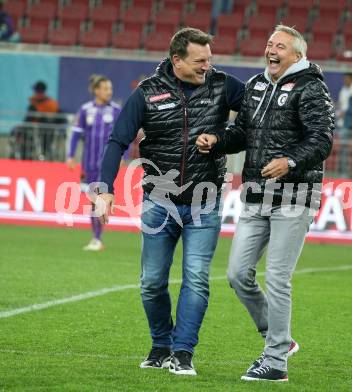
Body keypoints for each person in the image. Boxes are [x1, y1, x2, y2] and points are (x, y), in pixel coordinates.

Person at [96, 28, 244, 375]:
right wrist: (104, 189)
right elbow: (117, 140)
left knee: (196, 277)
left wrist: (221, 139)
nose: (208, 66)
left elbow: (255, 124)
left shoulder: (225, 86)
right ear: (177, 60)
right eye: (200, 60)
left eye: (210, 59)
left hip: (204, 202)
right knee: (151, 281)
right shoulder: (146, 93)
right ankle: (161, 345)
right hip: (158, 202)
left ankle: (183, 352)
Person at [197, 25, 334, 382]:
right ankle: (280, 338)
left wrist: (290, 161)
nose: (271, 50)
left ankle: (275, 362)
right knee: (237, 274)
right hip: (257, 193)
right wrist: (218, 140)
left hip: (295, 194)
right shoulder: (256, 85)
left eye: (280, 46)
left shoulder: (312, 87)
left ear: (297, 55)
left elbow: (322, 139)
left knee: (277, 278)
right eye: (269, 44)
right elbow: (243, 132)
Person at [67, 75, 122, 251]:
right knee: (92, 200)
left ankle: (97, 238)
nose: (109, 92)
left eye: (110, 89)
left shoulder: (115, 110)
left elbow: (124, 135)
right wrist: (70, 155)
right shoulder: (85, 110)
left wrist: (122, 155)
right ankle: (96, 238)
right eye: (106, 89)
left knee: (98, 198)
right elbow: (76, 134)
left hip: (107, 164)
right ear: (97, 90)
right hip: (88, 163)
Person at [23, 81, 62, 160]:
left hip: (38, 131)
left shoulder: (35, 104)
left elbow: (27, 120)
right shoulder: (52, 103)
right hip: (50, 131)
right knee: (46, 147)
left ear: (37, 91)